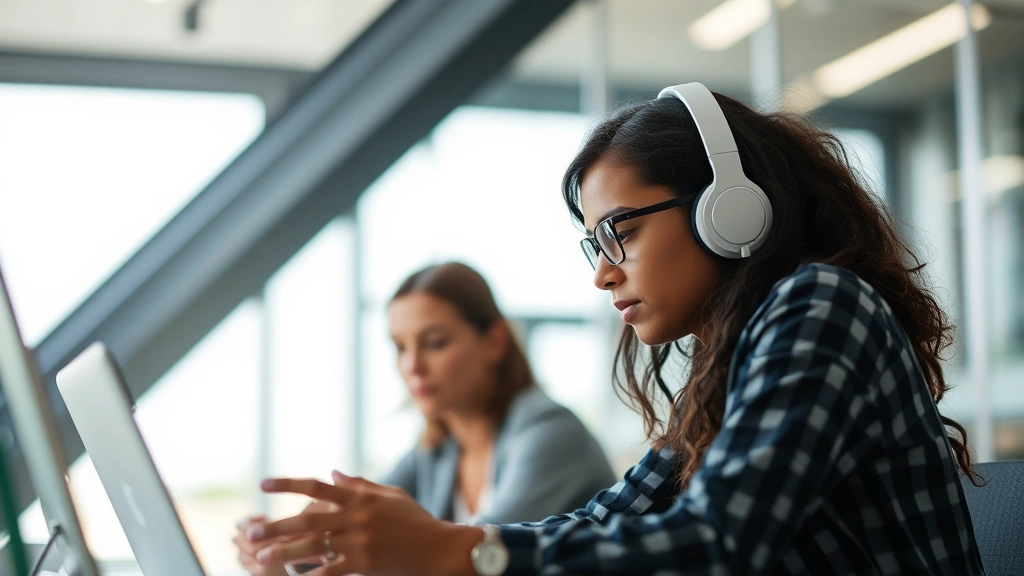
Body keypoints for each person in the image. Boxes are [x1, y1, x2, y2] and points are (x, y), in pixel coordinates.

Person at [241, 82, 986, 575]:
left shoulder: (821, 305)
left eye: (620, 232)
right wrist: (350, 544)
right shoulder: (728, 364)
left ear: (726, 209)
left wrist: (462, 554)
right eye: (595, 245)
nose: (602, 273)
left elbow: (719, 540)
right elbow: (609, 518)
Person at [234, 261, 615, 575]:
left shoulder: (551, 433)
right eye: (400, 347)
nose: (411, 366)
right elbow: (365, 529)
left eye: (434, 343)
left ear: (495, 342)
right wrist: (283, 548)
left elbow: (480, 556)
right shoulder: (435, 451)